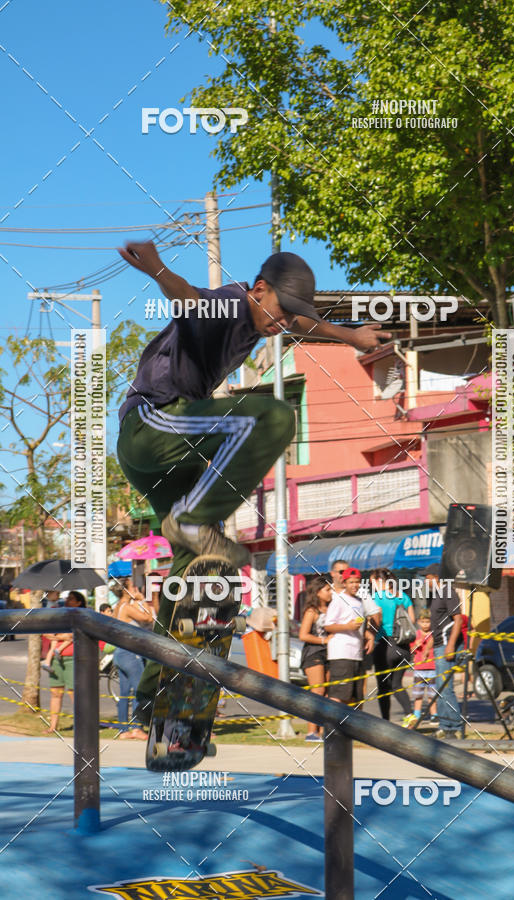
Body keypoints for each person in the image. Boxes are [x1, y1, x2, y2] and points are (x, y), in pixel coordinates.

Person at [116, 240, 389, 723]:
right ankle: (192, 520)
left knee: (202, 569)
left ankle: (160, 702)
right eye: (278, 312)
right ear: (259, 289)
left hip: (170, 447)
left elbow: (302, 322)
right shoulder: (227, 304)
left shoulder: (269, 314)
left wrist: (350, 336)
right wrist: (157, 268)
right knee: (272, 417)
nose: (281, 324)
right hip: (151, 424)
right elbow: (189, 298)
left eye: (287, 318)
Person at [369, 568, 416, 726]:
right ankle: (409, 714)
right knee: (397, 685)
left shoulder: (377, 597)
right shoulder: (403, 596)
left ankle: (385, 723)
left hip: (385, 645)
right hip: (404, 647)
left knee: (383, 687)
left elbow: (376, 620)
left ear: (379, 581)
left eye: (372, 582)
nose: (372, 586)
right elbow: (412, 620)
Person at [324, 567, 374, 707]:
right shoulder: (338, 600)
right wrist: (347, 626)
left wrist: (368, 635)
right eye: (351, 582)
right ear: (344, 583)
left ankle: (348, 721)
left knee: (355, 696)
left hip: (356, 654)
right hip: (341, 653)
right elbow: (328, 625)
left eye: (357, 582)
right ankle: (332, 721)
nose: (354, 585)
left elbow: (360, 625)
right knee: (338, 695)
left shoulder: (359, 601)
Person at [427, 564, 463, 739]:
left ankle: (455, 726)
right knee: (441, 688)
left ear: (436, 577)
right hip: (438, 644)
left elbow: (458, 620)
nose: (425, 582)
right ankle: (444, 725)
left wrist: (451, 645)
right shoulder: (437, 594)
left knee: (446, 688)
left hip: (447, 645)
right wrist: (429, 645)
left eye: (427, 578)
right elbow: (438, 624)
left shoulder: (448, 592)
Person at [114, 583, 154, 739]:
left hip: (120, 652)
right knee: (140, 690)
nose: (135, 590)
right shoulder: (127, 608)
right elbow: (148, 618)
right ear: (126, 591)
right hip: (130, 654)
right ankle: (137, 727)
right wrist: (143, 599)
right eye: (133, 588)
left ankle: (123, 729)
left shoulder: (118, 606)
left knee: (124, 693)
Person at [44, 592, 86, 734]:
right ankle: (52, 726)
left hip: (72, 658)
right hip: (56, 659)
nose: (67, 600)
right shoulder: (60, 614)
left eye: (71, 599)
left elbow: (74, 635)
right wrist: (63, 637)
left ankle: (81, 725)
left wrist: (59, 636)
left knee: (73, 692)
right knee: (55, 693)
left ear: (79, 602)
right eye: (67, 598)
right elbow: (47, 634)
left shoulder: (82, 616)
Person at [298, 575, 332, 741]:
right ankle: (311, 732)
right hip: (314, 653)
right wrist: (324, 640)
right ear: (318, 592)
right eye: (327, 590)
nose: (330, 592)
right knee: (317, 691)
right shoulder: (312, 611)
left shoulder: (333, 609)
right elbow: (303, 635)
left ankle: (324, 729)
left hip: (330, 654)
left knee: (328, 692)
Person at [410, 609, 437, 725]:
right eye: (423, 622)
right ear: (418, 622)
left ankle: (434, 715)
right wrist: (416, 645)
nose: (425, 624)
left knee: (432, 694)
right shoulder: (416, 635)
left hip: (432, 668)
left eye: (427, 622)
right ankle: (417, 714)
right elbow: (411, 651)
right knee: (418, 694)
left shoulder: (433, 635)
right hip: (419, 669)